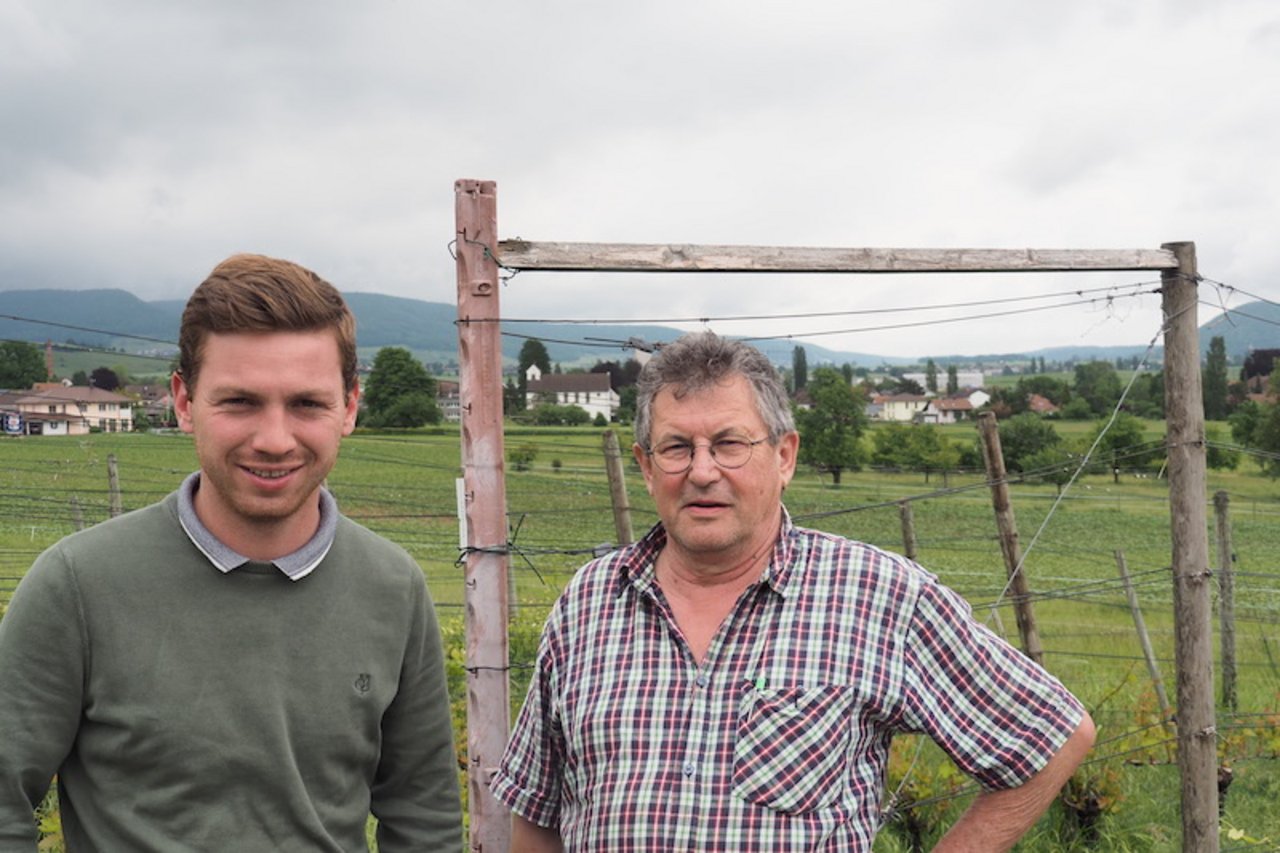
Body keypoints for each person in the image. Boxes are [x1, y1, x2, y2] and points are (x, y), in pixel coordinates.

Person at [491, 331, 1095, 852]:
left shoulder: (876, 595)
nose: (702, 471)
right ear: (646, 467)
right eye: (677, 448)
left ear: (784, 455)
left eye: (730, 443)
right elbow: (538, 816)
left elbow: (1054, 736)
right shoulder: (589, 604)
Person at [0, 255, 463, 851]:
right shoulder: (78, 586)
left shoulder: (394, 588)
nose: (273, 440)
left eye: (306, 404)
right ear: (184, 401)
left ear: (349, 407)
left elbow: (423, 819)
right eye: (239, 402)